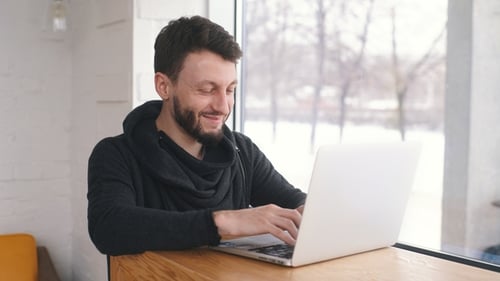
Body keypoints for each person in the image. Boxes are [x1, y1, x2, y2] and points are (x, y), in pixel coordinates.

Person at [87, 15, 307, 256]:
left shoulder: (242, 152)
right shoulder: (116, 155)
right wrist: (224, 223)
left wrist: (313, 213)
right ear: (164, 86)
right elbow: (108, 228)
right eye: (206, 90)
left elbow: (294, 203)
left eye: (230, 90)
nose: (223, 106)